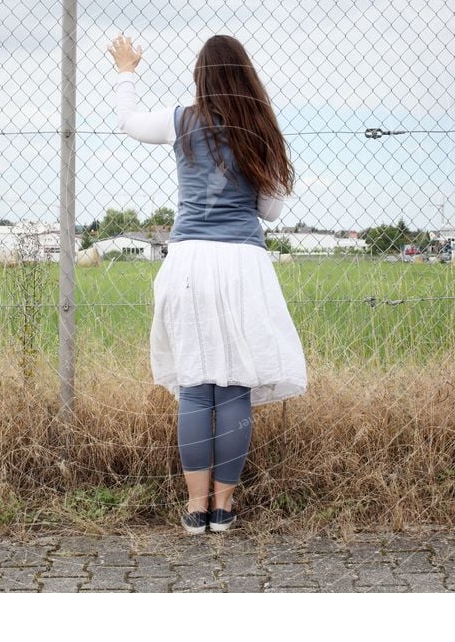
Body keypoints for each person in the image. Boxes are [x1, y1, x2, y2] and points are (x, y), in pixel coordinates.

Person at [106, 32, 307, 535]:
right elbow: (272, 210)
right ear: (246, 78)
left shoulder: (181, 120)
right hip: (242, 263)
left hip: (189, 262)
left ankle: (195, 511)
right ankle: (224, 509)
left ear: (201, 76)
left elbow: (127, 123)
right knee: (235, 386)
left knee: (195, 390)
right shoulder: (260, 129)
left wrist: (127, 70)